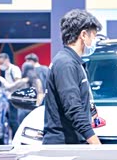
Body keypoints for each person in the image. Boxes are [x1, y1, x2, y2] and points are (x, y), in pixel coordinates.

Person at [43, 9, 102, 145]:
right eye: (93, 36)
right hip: (64, 147)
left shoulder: (74, 62)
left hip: (72, 143)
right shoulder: (66, 64)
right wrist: (96, 144)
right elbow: (73, 107)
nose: (94, 41)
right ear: (83, 35)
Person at [0, 52, 22, 133]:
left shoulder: (14, 69)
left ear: (7, 60)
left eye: (1, 63)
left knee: (14, 120)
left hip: (15, 98)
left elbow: (18, 83)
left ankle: (16, 137)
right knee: (11, 120)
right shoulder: (7, 71)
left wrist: (6, 84)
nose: (0, 65)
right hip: (9, 98)